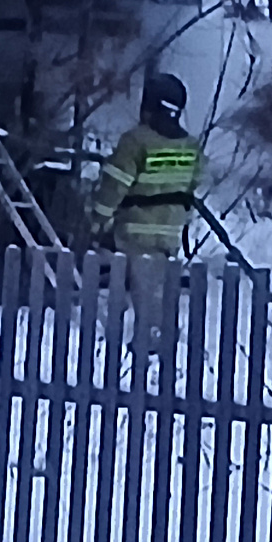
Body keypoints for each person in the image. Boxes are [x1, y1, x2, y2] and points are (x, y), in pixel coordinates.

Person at [92, 73, 205, 356]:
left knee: (140, 290)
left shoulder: (135, 141)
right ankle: (152, 338)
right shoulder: (191, 147)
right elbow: (192, 186)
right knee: (155, 287)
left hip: (134, 229)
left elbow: (115, 185)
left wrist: (98, 217)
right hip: (170, 233)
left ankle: (150, 344)